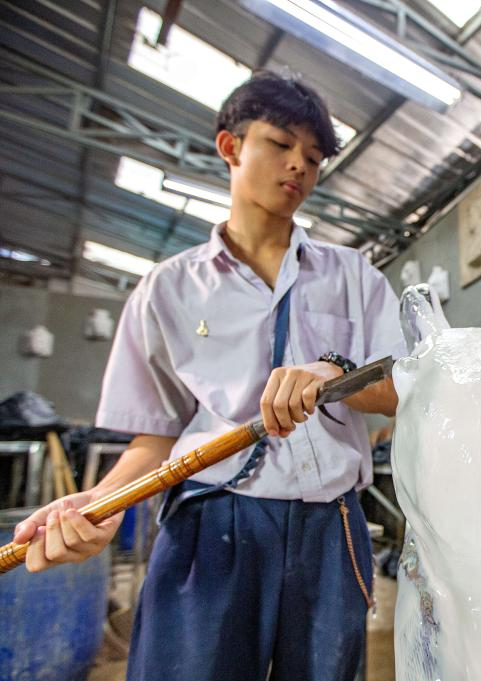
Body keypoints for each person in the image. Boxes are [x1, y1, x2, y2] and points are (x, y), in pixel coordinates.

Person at [12, 72, 406, 681]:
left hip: (330, 528)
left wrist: (335, 373)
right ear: (230, 147)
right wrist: (99, 504)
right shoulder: (167, 290)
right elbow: (154, 437)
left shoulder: (355, 276)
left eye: (313, 156)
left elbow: (404, 389)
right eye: (280, 144)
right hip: (212, 522)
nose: (299, 166)